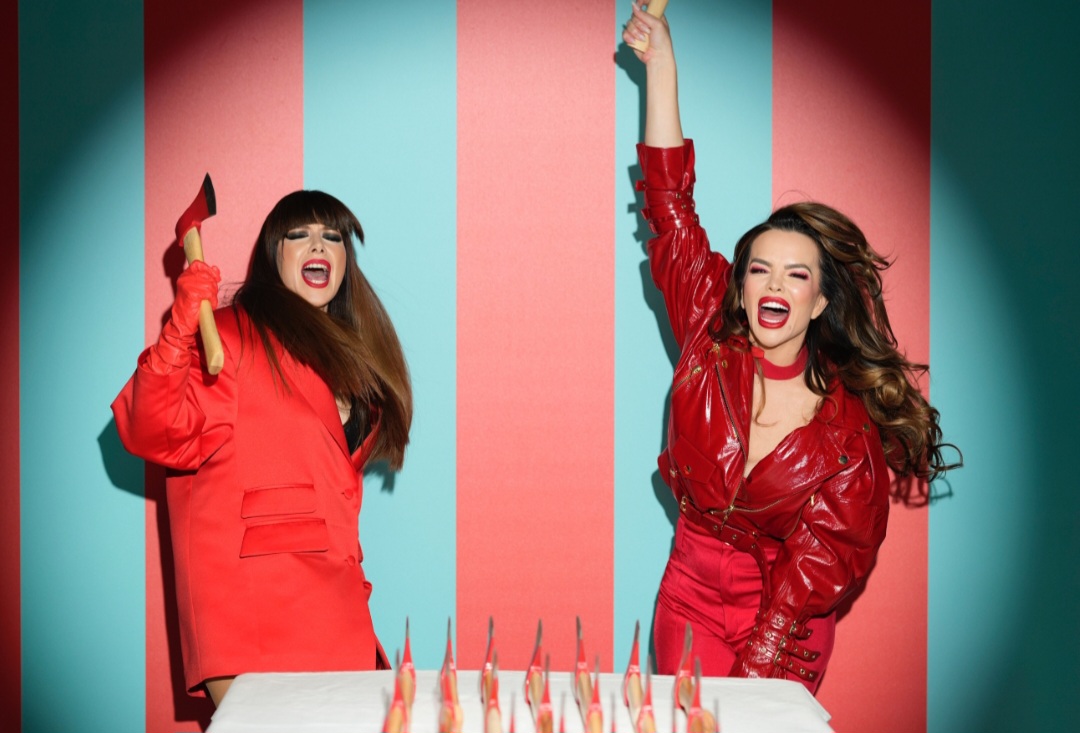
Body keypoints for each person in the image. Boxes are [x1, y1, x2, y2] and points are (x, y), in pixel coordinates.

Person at [623, 3, 957, 693]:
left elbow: (817, 569)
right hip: (687, 596)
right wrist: (661, 65)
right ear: (742, 286)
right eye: (760, 269)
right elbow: (670, 206)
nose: (775, 284)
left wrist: (761, 666)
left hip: (784, 619)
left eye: (797, 275)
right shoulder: (709, 335)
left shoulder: (847, 435)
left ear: (821, 301)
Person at [112, 189, 412, 705]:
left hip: (340, 621)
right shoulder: (230, 337)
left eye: (333, 237)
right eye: (299, 234)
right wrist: (180, 328)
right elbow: (150, 430)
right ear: (274, 255)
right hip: (252, 621)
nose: (318, 245)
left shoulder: (353, 362)